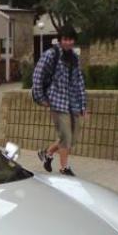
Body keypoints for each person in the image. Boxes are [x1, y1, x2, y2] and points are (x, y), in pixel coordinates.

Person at [32, 25, 87, 176]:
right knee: (66, 136)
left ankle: (47, 153)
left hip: (73, 103)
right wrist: (41, 98)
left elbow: (79, 82)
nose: (68, 42)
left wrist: (83, 105)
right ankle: (64, 168)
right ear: (60, 40)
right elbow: (37, 76)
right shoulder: (51, 54)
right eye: (65, 39)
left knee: (72, 138)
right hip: (57, 102)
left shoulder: (75, 58)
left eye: (71, 40)